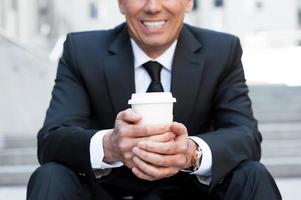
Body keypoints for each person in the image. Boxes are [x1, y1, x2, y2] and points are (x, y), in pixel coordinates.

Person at [27, 0, 282, 199]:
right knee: (50, 176)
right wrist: (110, 145)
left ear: (189, 2)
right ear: (121, 3)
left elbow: (246, 135)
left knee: (252, 175)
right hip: (108, 192)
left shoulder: (222, 51)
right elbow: (51, 139)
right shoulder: (81, 51)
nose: (152, 7)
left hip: (195, 192)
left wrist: (191, 154)